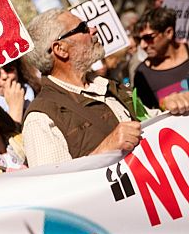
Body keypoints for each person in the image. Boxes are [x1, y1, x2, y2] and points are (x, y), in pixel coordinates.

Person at [22, 9, 143, 167]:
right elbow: (54, 181)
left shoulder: (108, 85)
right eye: (83, 28)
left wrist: (168, 107)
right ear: (61, 49)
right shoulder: (41, 120)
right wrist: (105, 150)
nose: (93, 30)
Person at [133, 7, 189, 114]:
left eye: (148, 38)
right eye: (139, 40)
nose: (143, 45)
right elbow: (148, 115)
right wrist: (165, 104)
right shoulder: (142, 74)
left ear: (169, 32)